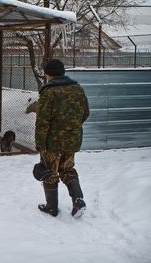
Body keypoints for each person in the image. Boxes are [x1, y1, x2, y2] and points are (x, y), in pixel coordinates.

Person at [35, 59, 89, 218]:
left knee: (50, 171)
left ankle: (51, 207)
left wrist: (40, 144)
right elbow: (85, 113)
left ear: (48, 74)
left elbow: (42, 121)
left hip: (52, 142)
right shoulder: (78, 89)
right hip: (72, 140)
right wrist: (71, 129)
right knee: (68, 169)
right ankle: (78, 200)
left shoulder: (49, 92)